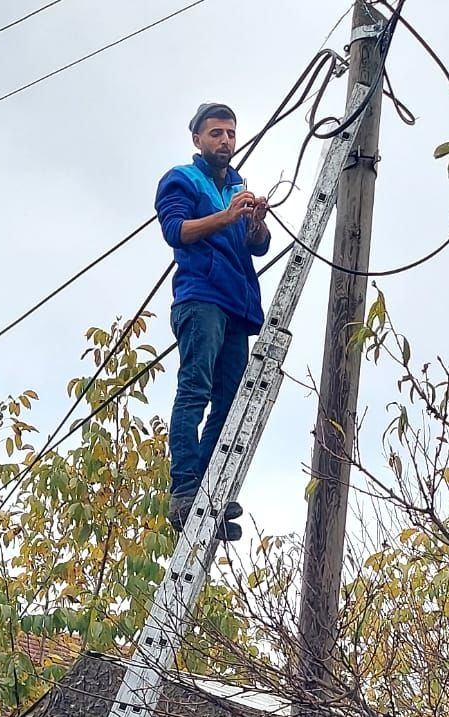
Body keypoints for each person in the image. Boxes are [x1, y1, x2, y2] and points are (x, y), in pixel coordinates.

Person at [155, 101, 271, 536]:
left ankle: (208, 490)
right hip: (201, 297)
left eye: (230, 133)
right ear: (198, 139)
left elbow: (256, 246)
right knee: (195, 389)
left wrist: (255, 224)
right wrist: (226, 216)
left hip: (236, 305)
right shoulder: (182, 179)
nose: (225, 141)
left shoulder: (238, 184)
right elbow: (176, 231)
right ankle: (185, 487)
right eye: (216, 133)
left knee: (230, 399)